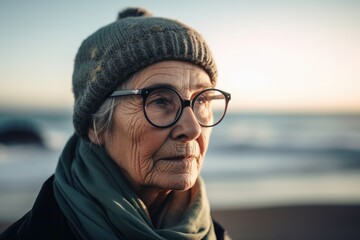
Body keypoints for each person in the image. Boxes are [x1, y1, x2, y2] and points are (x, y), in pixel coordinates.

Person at [0, 7, 231, 240]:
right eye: (160, 100)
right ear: (95, 125)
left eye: (201, 100)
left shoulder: (214, 234)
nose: (192, 129)